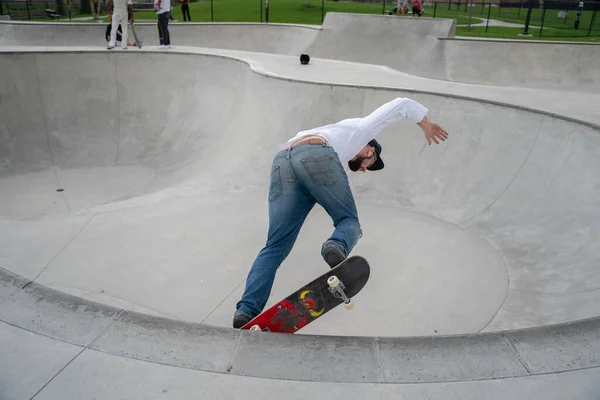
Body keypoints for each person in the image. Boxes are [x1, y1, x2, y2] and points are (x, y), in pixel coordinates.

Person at [232, 97, 449, 328]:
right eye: (369, 161)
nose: (364, 168)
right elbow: (400, 105)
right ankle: (336, 245)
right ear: (370, 148)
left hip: (282, 161)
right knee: (349, 221)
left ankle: (246, 311)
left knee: (275, 246)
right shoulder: (361, 131)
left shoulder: (334, 135)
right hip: (316, 155)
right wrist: (425, 123)